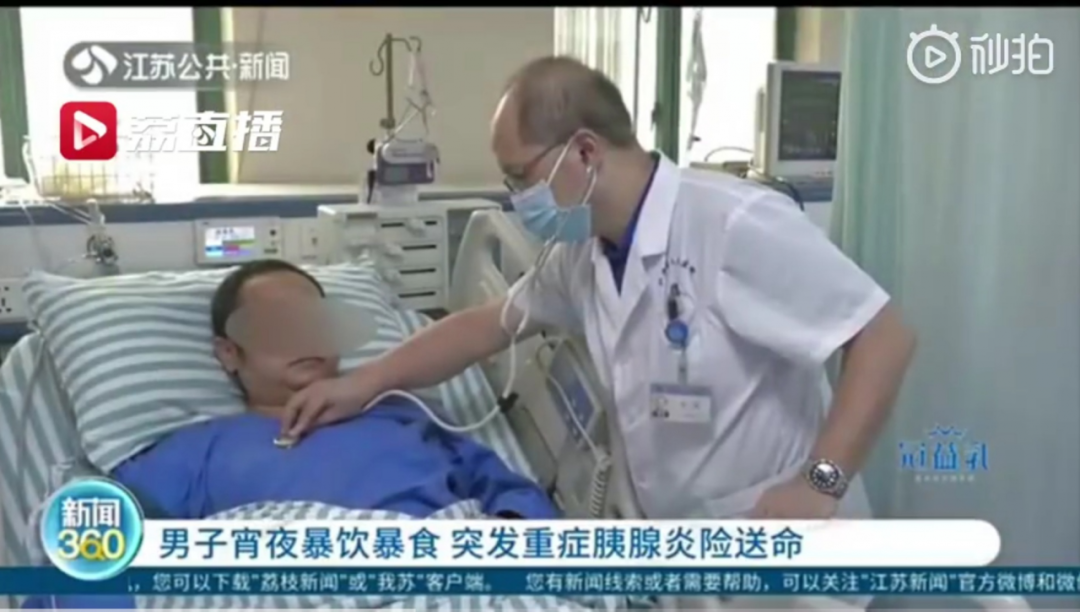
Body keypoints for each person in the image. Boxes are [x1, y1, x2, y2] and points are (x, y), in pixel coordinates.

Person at [281, 56, 917, 521]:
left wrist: (820, 483)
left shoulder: (734, 223)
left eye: (520, 177)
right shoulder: (583, 253)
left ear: (584, 152)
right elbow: (486, 326)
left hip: (785, 543)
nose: (516, 198)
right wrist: (363, 383)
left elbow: (884, 338)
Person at [108, 259, 557, 520]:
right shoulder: (198, 452)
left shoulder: (403, 415)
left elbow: (512, 496)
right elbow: (100, 542)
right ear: (229, 353)